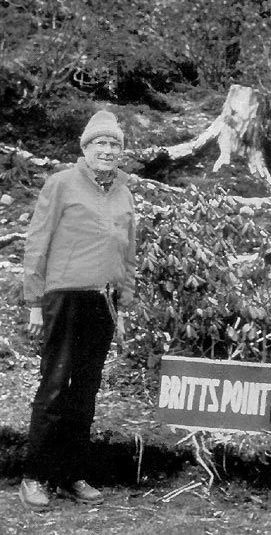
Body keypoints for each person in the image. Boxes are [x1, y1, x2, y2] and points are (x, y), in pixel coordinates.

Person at [20, 110, 136, 511]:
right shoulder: (62, 184)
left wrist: (122, 306)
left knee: (85, 391)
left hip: (103, 301)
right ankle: (35, 475)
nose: (107, 150)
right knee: (55, 386)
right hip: (64, 298)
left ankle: (71, 473)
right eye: (100, 143)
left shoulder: (124, 192)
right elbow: (37, 243)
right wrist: (35, 303)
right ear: (85, 149)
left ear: (122, 151)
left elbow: (128, 254)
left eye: (114, 144)